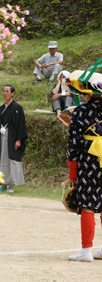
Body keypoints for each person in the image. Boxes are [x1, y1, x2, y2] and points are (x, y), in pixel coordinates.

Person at [66, 64, 102, 262]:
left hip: (88, 160)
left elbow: (74, 145)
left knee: (87, 203)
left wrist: (73, 171)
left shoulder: (79, 112)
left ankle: (86, 250)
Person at [0, 85, 28, 193]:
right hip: (1, 137)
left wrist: (19, 140)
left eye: (7, 91)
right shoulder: (0, 109)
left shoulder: (17, 108)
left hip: (12, 137)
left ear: (12, 93)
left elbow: (21, 125)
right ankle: (2, 183)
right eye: (3, 91)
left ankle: (11, 185)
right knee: (1, 160)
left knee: (11, 160)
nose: (5, 93)